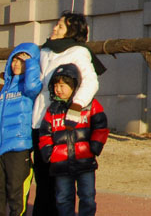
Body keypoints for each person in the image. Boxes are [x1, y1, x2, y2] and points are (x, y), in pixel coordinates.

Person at [32, 12, 104, 216]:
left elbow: (91, 82)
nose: (54, 29)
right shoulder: (45, 50)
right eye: (56, 25)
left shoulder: (78, 52)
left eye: (60, 26)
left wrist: (76, 106)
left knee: (60, 184)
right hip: (39, 121)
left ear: (71, 32)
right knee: (42, 179)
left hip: (61, 124)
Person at [37, 64, 107, 216]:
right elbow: (44, 134)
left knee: (87, 197)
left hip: (85, 161)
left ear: (74, 85)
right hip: (60, 164)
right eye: (56, 85)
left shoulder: (89, 105)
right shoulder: (52, 110)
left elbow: (101, 126)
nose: (58, 89)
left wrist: (94, 147)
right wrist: (49, 153)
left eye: (63, 85)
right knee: (63, 198)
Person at [0, 43, 41, 216]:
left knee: (16, 195)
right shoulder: (5, 88)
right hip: (1, 147)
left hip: (18, 147)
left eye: (22, 61)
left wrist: (31, 62)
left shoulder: (29, 87)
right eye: (14, 60)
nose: (17, 64)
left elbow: (32, 86)